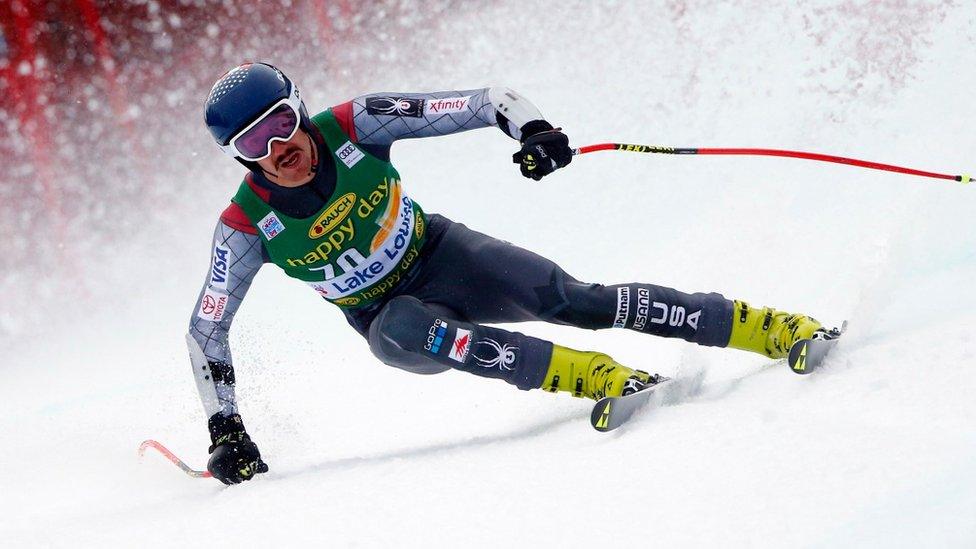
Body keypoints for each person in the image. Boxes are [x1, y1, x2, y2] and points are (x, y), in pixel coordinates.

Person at [191, 62, 830, 485]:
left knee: (570, 299)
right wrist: (227, 428)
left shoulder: (356, 123)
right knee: (416, 327)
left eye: (279, 123)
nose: (279, 148)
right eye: (253, 144)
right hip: (386, 320)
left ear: (298, 108)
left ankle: (769, 327)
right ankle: (598, 378)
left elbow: (485, 100)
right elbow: (205, 332)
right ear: (238, 159)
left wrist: (532, 130)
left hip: (443, 255)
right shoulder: (244, 227)